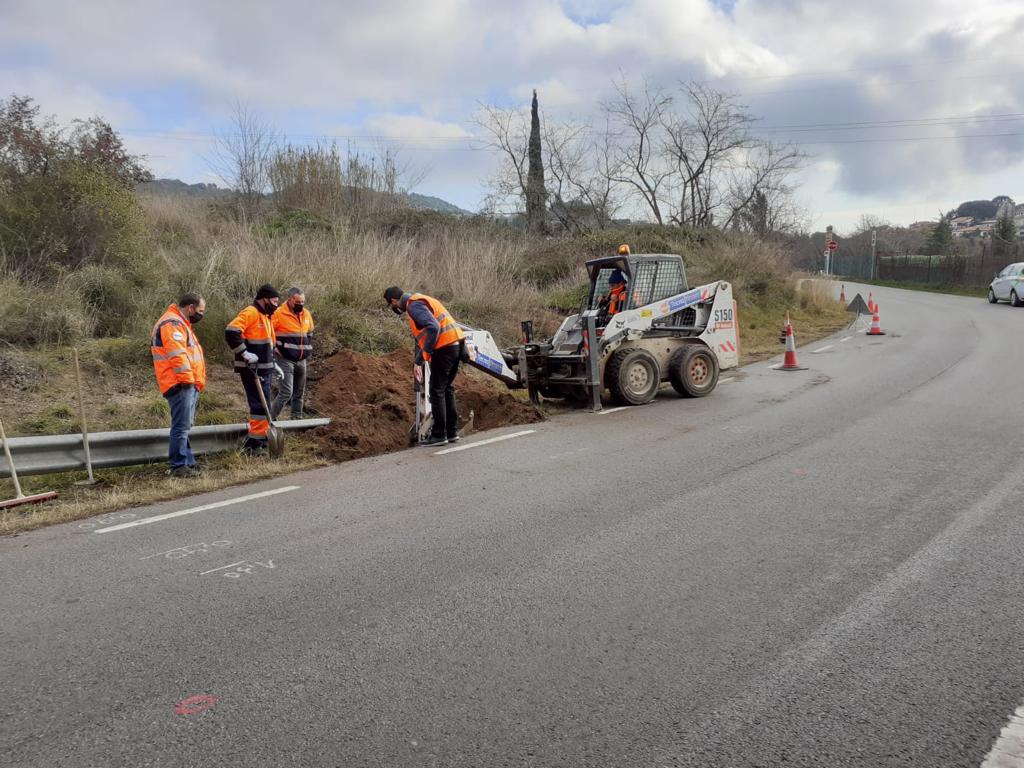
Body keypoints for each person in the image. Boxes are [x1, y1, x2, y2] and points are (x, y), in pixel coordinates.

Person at [384, 286, 465, 447]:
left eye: (391, 305)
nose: (393, 308)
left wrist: (420, 359)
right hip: (455, 344)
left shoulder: (414, 305)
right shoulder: (420, 299)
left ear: (394, 301)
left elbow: (433, 327)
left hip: (444, 348)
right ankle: (451, 432)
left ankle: (439, 435)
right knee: (447, 388)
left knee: (437, 390)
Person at [151, 293, 207, 478]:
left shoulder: (180, 323)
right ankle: (178, 466)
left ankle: (187, 462)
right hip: (180, 383)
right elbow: (177, 355)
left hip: (185, 383)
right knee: (181, 427)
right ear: (190, 308)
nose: (201, 315)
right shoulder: (172, 324)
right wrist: (188, 381)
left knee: (184, 426)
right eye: (200, 311)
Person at [225, 284, 279, 455]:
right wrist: (244, 352)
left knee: (264, 405)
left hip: (264, 368)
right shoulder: (251, 312)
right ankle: (254, 444)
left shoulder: (266, 316)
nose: (276, 304)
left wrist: (273, 362)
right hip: (252, 369)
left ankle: (259, 439)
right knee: (259, 406)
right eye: (274, 301)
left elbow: (267, 344)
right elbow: (231, 331)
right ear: (264, 299)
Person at [271, 287, 314, 420]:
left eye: (303, 302)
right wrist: (273, 348)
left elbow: (310, 332)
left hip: (301, 359)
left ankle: (296, 417)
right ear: (290, 300)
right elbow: (267, 332)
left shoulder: (306, 314)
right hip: (284, 359)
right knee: (286, 392)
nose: (301, 304)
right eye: (298, 301)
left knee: (299, 392)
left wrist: (306, 348)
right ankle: (269, 419)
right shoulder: (278, 313)